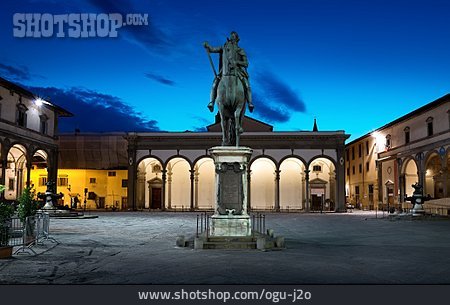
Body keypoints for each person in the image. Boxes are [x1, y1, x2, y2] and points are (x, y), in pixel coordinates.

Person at [203, 31, 254, 112]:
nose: (232, 38)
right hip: (224, 71)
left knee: (247, 85)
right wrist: (208, 46)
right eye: (231, 36)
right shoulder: (224, 47)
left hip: (238, 72)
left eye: (234, 36)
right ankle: (211, 102)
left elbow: (246, 63)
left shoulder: (240, 50)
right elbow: (213, 49)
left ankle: (250, 103)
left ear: (237, 39)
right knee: (215, 83)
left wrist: (237, 62)